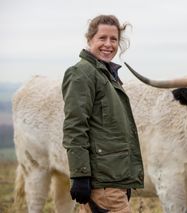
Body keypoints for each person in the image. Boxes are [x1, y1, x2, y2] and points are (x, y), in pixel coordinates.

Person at [61, 15, 144, 213]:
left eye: (113, 39)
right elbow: (75, 126)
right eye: (102, 38)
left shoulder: (105, 74)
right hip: (103, 182)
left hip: (113, 179)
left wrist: (124, 180)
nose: (108, 44)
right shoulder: (82, 73)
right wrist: (80, 176)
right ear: (90, 40)